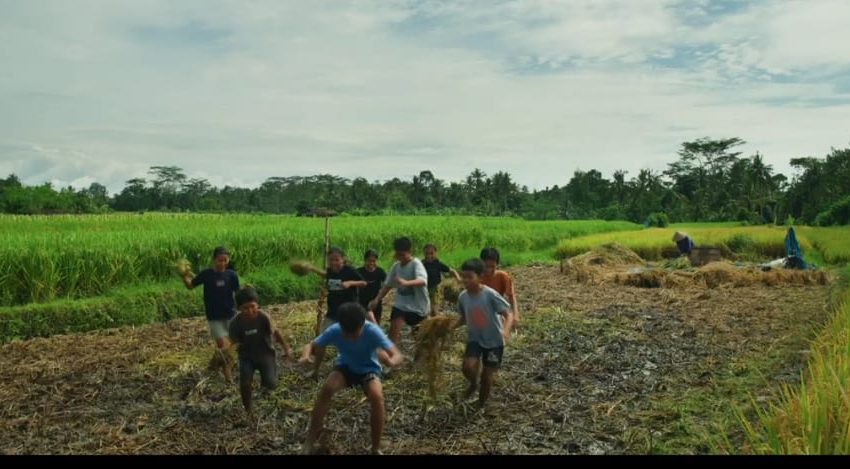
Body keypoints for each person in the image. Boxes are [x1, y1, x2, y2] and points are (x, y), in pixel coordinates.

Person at [301, 302, 403, 455]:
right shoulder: (335, 329)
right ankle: (309, 441)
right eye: (346, 333)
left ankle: (375, 447)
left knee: (377, 396)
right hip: (345, 368)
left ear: (363, 324)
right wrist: (305, 356)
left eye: (354, 333)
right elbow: (311, 345)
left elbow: (397, 354)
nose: (350, 337)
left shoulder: (373, 331)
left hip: (369, 369)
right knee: (327, 389)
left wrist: (390, 361)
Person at [454, 258, 513, 407]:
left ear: (480, 277)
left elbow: (508, 314)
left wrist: (505, 331)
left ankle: (481, 403)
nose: (465, 280)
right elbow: (463, 318)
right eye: (463, 277)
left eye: (470, 277)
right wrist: (448, 327)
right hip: (475, 338)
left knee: (487, 376)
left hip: (494, 342)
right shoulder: (463, 297)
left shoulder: (489, 294)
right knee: (467, 367)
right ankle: (473, 383)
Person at [229, 286, 293, 416]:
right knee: (245, 383)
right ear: (239, 309)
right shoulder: (235, 323)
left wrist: (286, 348)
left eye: (253, 306)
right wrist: (227, 355)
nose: (250, 311)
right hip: (246, 356)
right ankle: (248, 410)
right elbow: (234, 342)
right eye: (245, 308)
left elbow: (276, 333)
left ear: (257, 304)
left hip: (265, 354)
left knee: (270, 384)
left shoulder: (264, 317)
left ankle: (265, 395)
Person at [304, 247, 368, 374]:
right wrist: (311, 268)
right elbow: (325, 275)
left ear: (343, 259)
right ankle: (315, 370)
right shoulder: (330, 271)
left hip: (349, 314)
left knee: (351, 341)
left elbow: (363, 283)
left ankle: (354, 368)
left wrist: (350, 283)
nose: (334, 263)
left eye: (337, 260)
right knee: (321, 341)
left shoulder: (349, 271)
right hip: (332, 313)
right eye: (331, 260)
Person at [181, 246, 239, 382]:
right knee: (223, 346)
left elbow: (238, 292)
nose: (222, 263)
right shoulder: (206, 274)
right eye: (220, 260)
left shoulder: (231, 275)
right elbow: (190, 285)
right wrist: (184, 276)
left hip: (230, 314)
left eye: (225, 260)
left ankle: (214, 364)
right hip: (214, 317)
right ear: (214, 260)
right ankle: (227, 374)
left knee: (230, 346)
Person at [368, 237, 430, 346]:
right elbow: (387, 286)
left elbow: (422, 281)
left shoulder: (416, 264)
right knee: (393, 330)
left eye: (402, 254)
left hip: (418, 308)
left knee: (419, 337)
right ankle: (391, 353)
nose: (399, 257)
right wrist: (377, 299)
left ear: (409, 252)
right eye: (398, 254)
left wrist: (406, 283)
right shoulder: (396, 266)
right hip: (401, 306)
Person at [479, 247, 520, 328]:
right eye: (486, 266)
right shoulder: (477, 277)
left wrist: (515, 314)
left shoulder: (502, 276)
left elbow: (511, 296)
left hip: (497, 310)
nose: (489, 270)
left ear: (497, 264)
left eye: (492, 267)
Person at [422, 244, 461, 317]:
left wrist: (458, 278)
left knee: (434, 308)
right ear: (424, 254)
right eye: (427, 253)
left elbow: (451, 270)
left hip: (436, 288)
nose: (429, 256)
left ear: (436, 253)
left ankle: (436, 319)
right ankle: (431, 320)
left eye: (431, 253)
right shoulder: (422, 264)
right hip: (425, 288)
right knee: (427, 308)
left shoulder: (438, 264)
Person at [357, 249, 387, 324]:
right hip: (362, 302)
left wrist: (377, 298)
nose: (371, 263)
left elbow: (387, 284)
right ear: (365, 260)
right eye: (369, 261)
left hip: (376, 302)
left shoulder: (380, 272)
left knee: (376, 323)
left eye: (374, 261)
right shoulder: (359, 272)